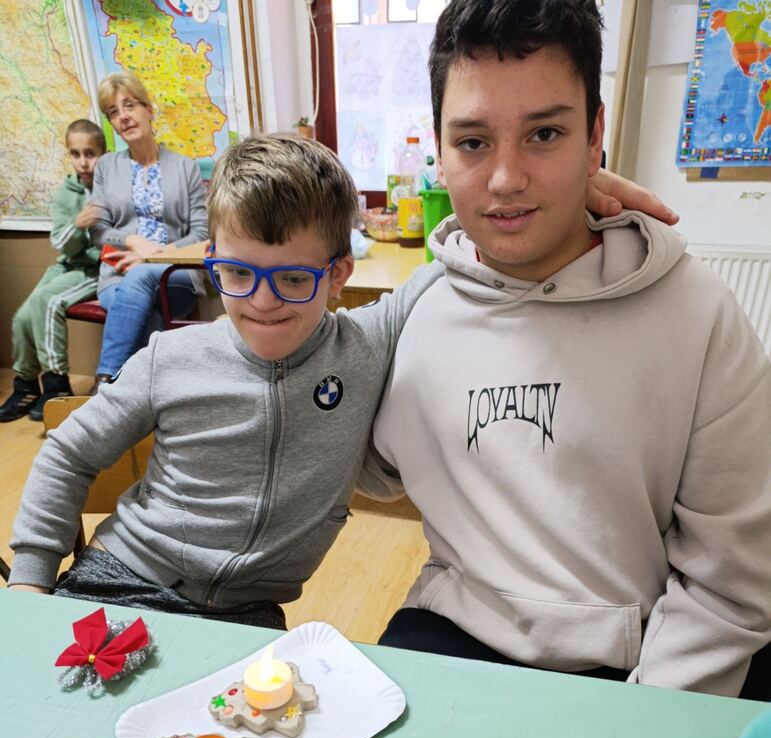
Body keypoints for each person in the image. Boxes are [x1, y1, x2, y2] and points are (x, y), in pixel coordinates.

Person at [6, 132, 671, 622]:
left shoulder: (366, 341)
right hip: (121, 580)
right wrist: (31, 581)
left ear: (338, 276)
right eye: (237, 274)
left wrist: (569, 192)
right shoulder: (169, 359)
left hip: (247, 616)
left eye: (294, 279)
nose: (263, 302)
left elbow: (471, 248)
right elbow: (67, 454)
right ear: (212, 263)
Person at [358, 0, 771, 697]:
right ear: (439, 150)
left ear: (594, 135)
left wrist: (640, 728)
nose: (505, 179)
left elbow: (732, 583)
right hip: (454, 631)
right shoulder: (411, 315)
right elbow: (354, 459)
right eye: (473, 142)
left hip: (645, 654)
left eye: (544, 134)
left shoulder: (698, 316)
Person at [88, 72, 208, 386]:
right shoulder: (106, 167)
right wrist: (131, 240)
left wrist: (153, 257)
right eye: (114, 112)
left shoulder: (185, 167)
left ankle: (105, 381)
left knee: (142, 277)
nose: (124, 116)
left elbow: (201, 232)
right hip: (117, 275)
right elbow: (97, 230)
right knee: (147, 317)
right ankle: (161, 391)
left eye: (130, 105)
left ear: (149, 110)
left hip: (175, 274)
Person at [0, 120, 106, 423]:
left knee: (47, 301)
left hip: (95, 269)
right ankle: (26, 385)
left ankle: (57, 382)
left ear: (103, 153)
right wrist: (78, 224)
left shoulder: (111, 188)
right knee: (22, 318)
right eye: (75, 154)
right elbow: (61, 243)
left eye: (90, 154)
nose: (82, 162)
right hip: (68, 263)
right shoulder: (65, 193)